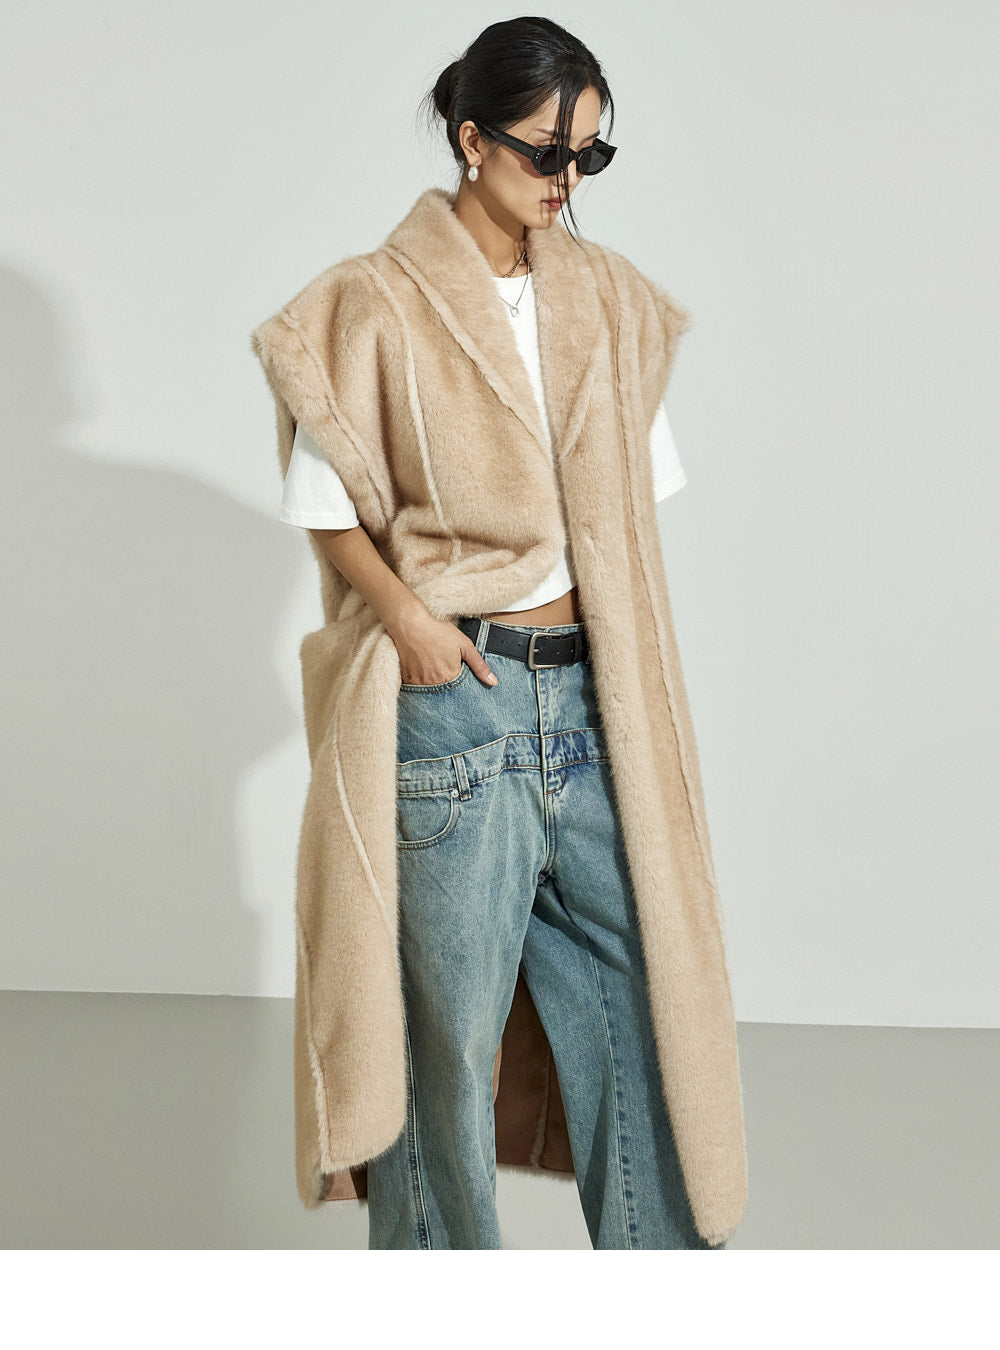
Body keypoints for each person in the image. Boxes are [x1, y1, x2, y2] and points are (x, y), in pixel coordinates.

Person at [252, 16, 748, 1250]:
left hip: (593, 704)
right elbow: (324, 505)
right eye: (544, 151)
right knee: (445, 1036)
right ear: (472, 140)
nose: (566, 179)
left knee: (643, 1013)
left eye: (590, 155)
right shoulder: (371, 303)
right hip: (460, 704)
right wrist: (412, 625)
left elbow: (629, 508)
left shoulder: (609, 303)